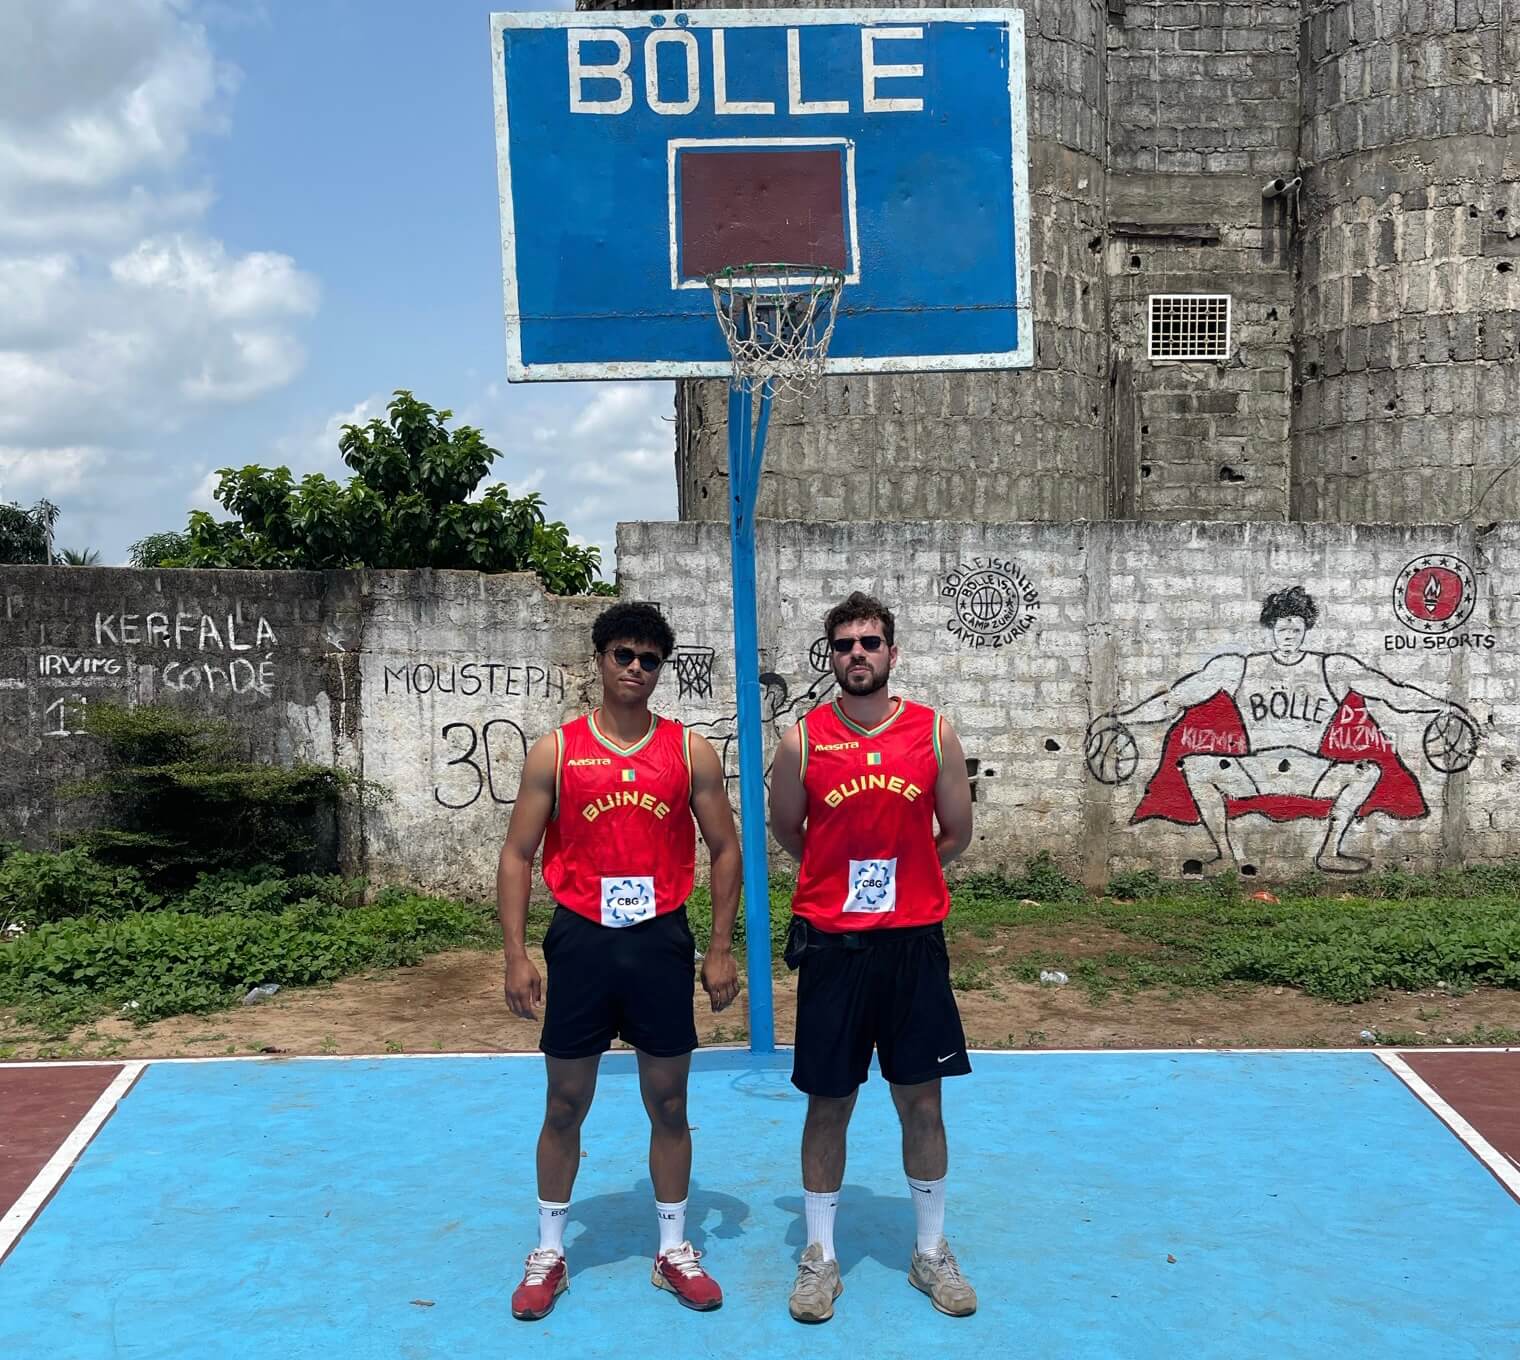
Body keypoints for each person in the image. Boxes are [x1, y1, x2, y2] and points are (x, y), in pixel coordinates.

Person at [497, 602, 742, 1321]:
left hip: (659, 939)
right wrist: (515, 954)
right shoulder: (557, 751)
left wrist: (720, 946)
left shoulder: (689, 751)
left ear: (661, 670)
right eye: (623, 655)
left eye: (649, 659)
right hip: (582, 938)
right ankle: (548, 1252)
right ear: (599, 660)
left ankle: (673, 1249)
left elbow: (726, 848)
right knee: (565, 1102)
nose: (635, 668)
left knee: (669, 1102)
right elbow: (516, 855)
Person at [768, 591, 978, 1323]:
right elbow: (790, 830)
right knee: (829, 1103)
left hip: (913, 946)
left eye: (870, 642)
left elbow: (954, 830)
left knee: (922, 1100)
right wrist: (841, 884)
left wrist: (908, 876)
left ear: (892, 652)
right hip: (833, 946)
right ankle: (820, 1257)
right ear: (830, 657)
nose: (857, 654)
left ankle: (931, 1252)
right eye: (844, 644)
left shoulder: (933, 733)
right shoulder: (801, 740)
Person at [1085, 585, 1479, 873]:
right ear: (1270, 629)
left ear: (1306, 629)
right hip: (1255, 771)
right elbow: (1175, 699)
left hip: (1311, 773)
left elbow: (1393, 693)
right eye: (1281, 628)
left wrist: (1444, 706)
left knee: (1369, 770)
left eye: (1296, 628)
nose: (1289, 636)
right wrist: (1124, 718)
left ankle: (1329, 851)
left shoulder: (1332, 666)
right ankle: (1225, 855)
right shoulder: (1237, 666)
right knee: (1196, 766)